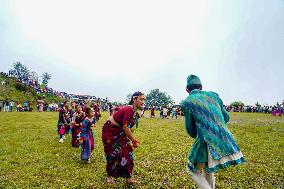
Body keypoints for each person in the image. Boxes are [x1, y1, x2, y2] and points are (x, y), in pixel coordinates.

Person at [182, 75, 245, 189]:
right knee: (208, 168)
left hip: (205, 139)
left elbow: (190, 130)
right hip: (225, 137)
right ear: (201, 87)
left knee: (191, 169)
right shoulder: (213, 96)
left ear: (187, 90)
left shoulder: (188, 102)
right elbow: (226, 117)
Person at [102, 91, 145, 185]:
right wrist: (133, 140)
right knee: (112, 154)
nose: (143, 101)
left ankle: (128, 179)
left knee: (128, 153)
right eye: (141, 99)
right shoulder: (129, 109)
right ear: (134, 99)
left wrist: (141, 110)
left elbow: (129, 124)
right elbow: (126, 127)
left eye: (144, 99)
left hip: (120, 132)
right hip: (110, 132)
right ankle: (109, 176)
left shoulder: (134, 111)